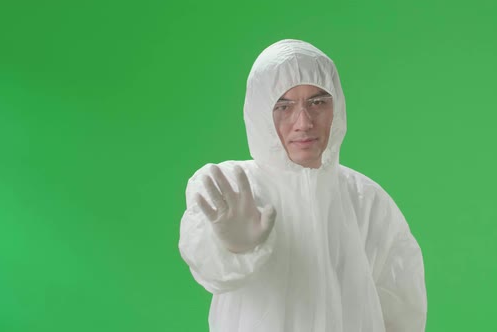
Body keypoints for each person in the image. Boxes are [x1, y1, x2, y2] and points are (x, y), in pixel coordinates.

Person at [178, 39, 427, 331]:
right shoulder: (232, 188)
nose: (303, 122)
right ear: (259, 113)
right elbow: (209, 269)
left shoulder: (365, 199)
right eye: (283, 106)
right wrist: (232, 249)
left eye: (317, 102)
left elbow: (400, 301)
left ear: (337, 107)